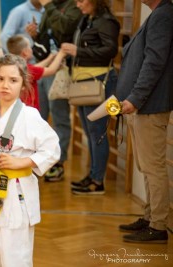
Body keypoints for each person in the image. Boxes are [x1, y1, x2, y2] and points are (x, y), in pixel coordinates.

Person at [0, 54, 60, 267]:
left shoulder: (30, 116)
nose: (5, 85)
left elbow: (52, 149)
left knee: (16, 255)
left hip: (18, 193)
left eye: (13, 80)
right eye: (0, 79)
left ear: (23, 83)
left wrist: (23, 162)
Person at [116, 0, 173, 244]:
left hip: (149, 106)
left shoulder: (164, 14)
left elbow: (154, 62)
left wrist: (136, 98)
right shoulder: (157, 14)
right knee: (147, 168)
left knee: (153, 168)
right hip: (142, 106)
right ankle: (150, 217)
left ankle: (158, 225)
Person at [60, 0, 119, 195]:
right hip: (85, 81)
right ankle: (93, 176)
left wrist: (79, 51)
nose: (78, 5)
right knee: (90, 133)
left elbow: (110, 51)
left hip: (98, 81)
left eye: (82, 1)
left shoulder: (107, 21)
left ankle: (97, 181)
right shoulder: (88, 20)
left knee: (97, 134)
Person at [27, 0, 82, 182]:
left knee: (59, 118)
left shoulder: (73, 6)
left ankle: (57, 164)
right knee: (37, 116)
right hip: (42, 66)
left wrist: (48, 5)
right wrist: (35, 35)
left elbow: (65, 29)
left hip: (59, 69)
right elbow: (47, 38)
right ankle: (35, 161)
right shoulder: (50, 7)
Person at [7, 34, 65, 110]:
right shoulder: (27, 69)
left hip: (20, 108)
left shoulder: (17, 66)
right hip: (29, 110)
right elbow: (51, 70)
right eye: (29, 47)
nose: (32, 49)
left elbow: (35, 68)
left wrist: (50, 57)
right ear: (25, 52)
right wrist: (62, 53)